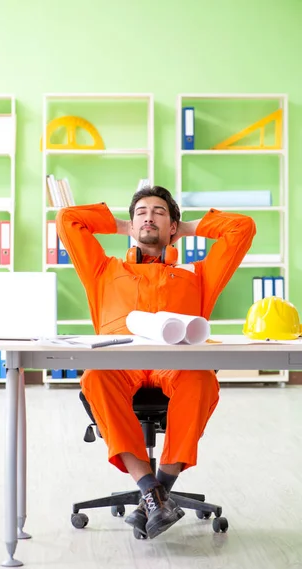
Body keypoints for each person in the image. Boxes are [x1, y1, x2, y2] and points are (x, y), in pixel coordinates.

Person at [56, 186, 256, 539]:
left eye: (159, 212)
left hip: (176, 366)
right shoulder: (102, 270)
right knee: (94, 378)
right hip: (120, 365)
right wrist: (125, 226)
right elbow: (68, 220)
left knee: (202, 379)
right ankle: (150, 490)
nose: (149, 216)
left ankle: (157, 490)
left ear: (173, 227)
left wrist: (186, 226)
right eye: (142, 212)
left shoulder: (199, 274)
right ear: (131, 225)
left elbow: (242, 227)